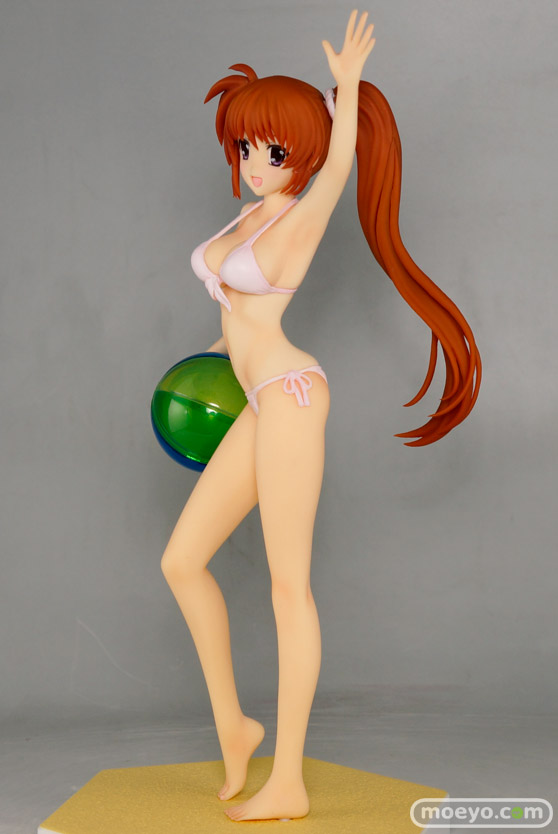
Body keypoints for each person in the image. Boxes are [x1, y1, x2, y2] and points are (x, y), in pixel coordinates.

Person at [161, 9, 481, 822]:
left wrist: (345, 90)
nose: (255, 163)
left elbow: (340, 167)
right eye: (246, 146)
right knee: (182, 562)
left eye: (273, 151)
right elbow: (237, 311)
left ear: (301, 154)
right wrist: (209, 366)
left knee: (287, 586)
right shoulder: (249, 215)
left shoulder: (301, 214)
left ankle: (289, 780)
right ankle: (235, 727)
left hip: (291, 399)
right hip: (253, 398)